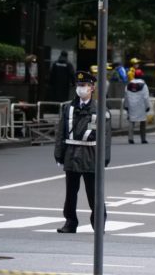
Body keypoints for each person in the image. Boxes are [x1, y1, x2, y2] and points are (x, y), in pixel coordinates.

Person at [54, 71, 111, 233]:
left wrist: (105, 157)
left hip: (91, 155)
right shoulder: (68, 108)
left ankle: (99, 224)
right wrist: (58, 153)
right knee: (70, 194)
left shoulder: (100, 109)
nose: (81, 88)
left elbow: (106, 136)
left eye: (84, 85)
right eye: (79, 85)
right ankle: (70, 222)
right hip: (71, 154)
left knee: (94, 193)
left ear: (92, 88)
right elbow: (61, 132)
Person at [124, 69, 151, 144]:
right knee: (142, 123)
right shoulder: (144, 85)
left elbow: (126, 97)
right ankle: (143, 139)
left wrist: (126, 106)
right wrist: (147, 106)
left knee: (131, 122)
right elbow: (146, 97)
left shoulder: (128, 85)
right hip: (141, 106)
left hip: (131, 106)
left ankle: (130, 138)